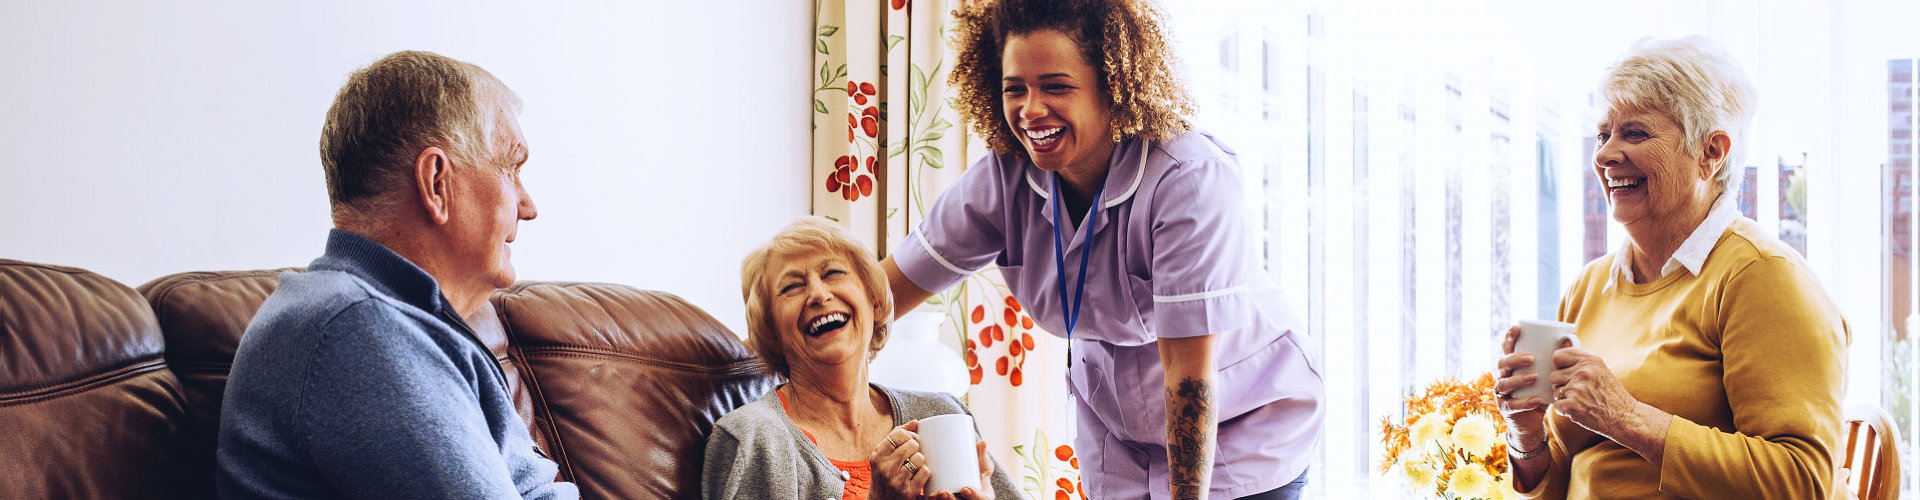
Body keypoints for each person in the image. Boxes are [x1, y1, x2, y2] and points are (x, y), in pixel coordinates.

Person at [881, 0, 1324, 498]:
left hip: (1241, 430)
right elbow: (878, 297)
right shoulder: (1003, 180)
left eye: (1056, 86)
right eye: (1015, 89)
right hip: (1121, 441)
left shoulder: (1188, 179)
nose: (1030, 110)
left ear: (1113, 87)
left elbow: (1189, 378)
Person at [1492, 36, 1848, 499]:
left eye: (1634, 133)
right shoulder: (1590, 285)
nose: (1603, 155)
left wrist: (1627, 419)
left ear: (1711, 154)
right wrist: (1526, 435)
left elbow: (1803, 481)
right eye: (1604, 135)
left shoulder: (1762, 276)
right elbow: (1559, 481)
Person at [218, 51, 576, 499]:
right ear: (437, 183)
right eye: (511, 168)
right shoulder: (354, 327)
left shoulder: (393, 318)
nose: (529, 206)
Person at [703, 216, 1021, 500]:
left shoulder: (940, 413)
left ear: (874, 302)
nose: (818, 294)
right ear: (771, 330)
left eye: (833, 273)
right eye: (792, 287)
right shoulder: (751, 440)